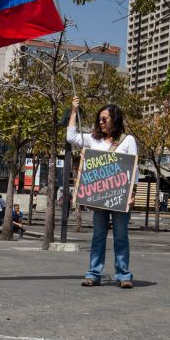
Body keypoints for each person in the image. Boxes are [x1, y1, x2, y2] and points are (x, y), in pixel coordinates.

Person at [66, 96, 137, 289]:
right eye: (99, 119)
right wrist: (74, 111)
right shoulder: (93, 139)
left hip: (120, 198)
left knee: (121, 236)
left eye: (105, 119)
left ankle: (123, 275)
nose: (101, 122)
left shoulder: (127, 140)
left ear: (115, 119)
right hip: (99, 199)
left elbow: (133, 170)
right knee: (98, 236)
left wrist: (132, 194)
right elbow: (70, 137)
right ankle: (93, 274)